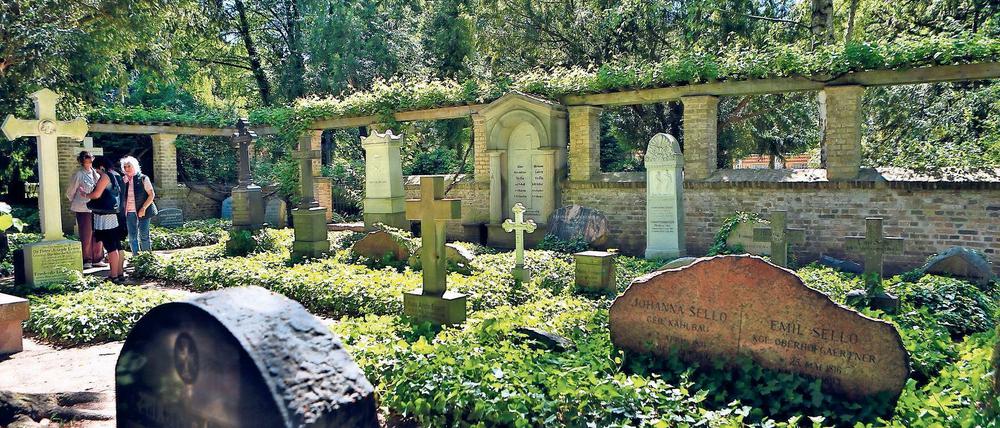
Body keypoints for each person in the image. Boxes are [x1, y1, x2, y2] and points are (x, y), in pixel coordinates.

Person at [80, 156, 125, 281]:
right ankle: (120, 273)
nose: (97, 173)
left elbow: (96, 194)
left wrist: (85, 194)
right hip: (117, 214)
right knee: (118, 245)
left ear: (101, 167)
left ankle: (113, 275)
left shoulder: (106, 176)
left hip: (106, 216)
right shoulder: (118, 175)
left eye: (97, 170)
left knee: (110, 246)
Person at [65, 151, 105, 268]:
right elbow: (71, 190)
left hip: (96, 208)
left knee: (98, 233)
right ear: (82, 161)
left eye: (90, 160)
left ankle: (98, 258)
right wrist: (75, 201)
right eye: (86, 160)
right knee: (86, 233)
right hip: (83, 208)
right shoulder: (79, 174)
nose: (88, 162)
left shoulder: (96, 175)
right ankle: (86, 259)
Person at [119, 156, 157, 253]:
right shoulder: (123, 180)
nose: (127, 169)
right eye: (125, 167)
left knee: (144, 236)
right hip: (129, 212)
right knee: (132, 237)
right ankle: (136, 258)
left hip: (143, 211)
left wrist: (143, 208)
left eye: (129, 166)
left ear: (134, 166)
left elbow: (151, 194)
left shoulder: (143, 178)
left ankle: (147, 257)